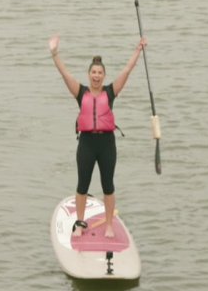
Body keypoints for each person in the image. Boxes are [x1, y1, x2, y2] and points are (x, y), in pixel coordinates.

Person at [49, 34, 147, 238]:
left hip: (106, 144)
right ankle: (80, 224)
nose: (96, 76)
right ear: (89, 75)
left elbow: (127, 70)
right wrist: (54, 53)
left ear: (104, 75)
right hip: (87, 143)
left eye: (100, 73)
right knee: (82, 185)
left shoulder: (110, 92)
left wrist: (138, 50)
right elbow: (64, 72)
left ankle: (109, 225)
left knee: (108, 186)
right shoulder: (80, 92)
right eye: (93, 72)